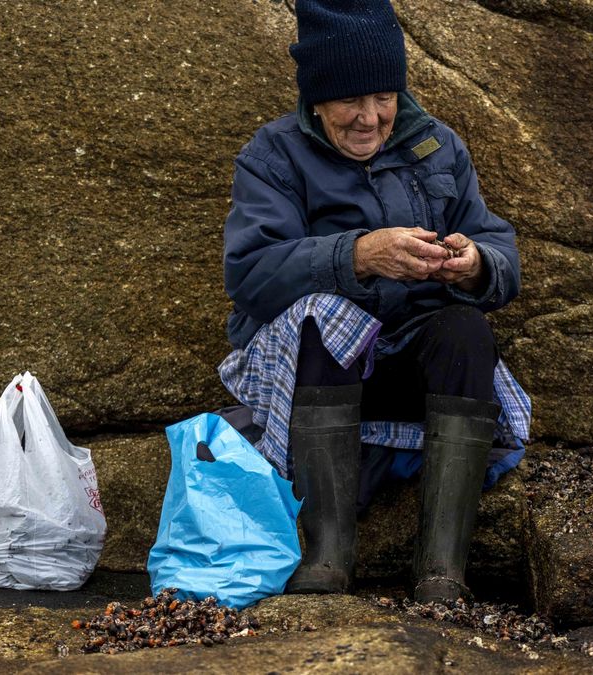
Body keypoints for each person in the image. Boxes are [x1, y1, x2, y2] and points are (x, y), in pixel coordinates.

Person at [217, 0, 528, 605]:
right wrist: (357, 256)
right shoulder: (274, 155)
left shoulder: (437, 146)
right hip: (316, 381)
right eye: (350, 102)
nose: (369, 118)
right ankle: (329, 555)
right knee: (324, 320)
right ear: (316, 99)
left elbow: (498, 246)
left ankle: (442, 571)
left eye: (383, 97)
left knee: (465, 329)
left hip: (410, 371)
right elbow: (250, 272)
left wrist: (477, 264)